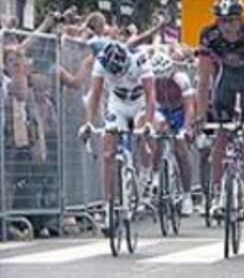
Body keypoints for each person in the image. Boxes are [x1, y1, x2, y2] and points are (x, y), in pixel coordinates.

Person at [194, 0, 244, 229]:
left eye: (233, 21)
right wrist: (199, 115)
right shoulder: (208, 36)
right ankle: (216, 195)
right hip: (225, 82)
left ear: (241, 20)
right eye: (223, 21)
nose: (228, 27)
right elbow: (204, 78)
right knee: (221, 135)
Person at [79, 39, 156, 230]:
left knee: (141, 134)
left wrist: (148, 123)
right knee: (108, 153)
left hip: (140, 104)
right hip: (118, 106)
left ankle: (144, 176)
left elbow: (151, 95)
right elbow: (94, 95)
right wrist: (88, 122)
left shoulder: (140, 60)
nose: (117, 75)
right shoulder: (101, 63)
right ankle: (109, 207)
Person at [149, 50, 195, 216]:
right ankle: (154, 176)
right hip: (162, 109)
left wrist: (186, 128)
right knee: (157, 134)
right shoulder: (150, 80)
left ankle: (187, 195)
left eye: (164, 78)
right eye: (158, 79)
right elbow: (150, 105)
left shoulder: (181, 79)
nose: (161, 82)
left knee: (182, 151)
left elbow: (190, 107)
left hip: (179, 110)